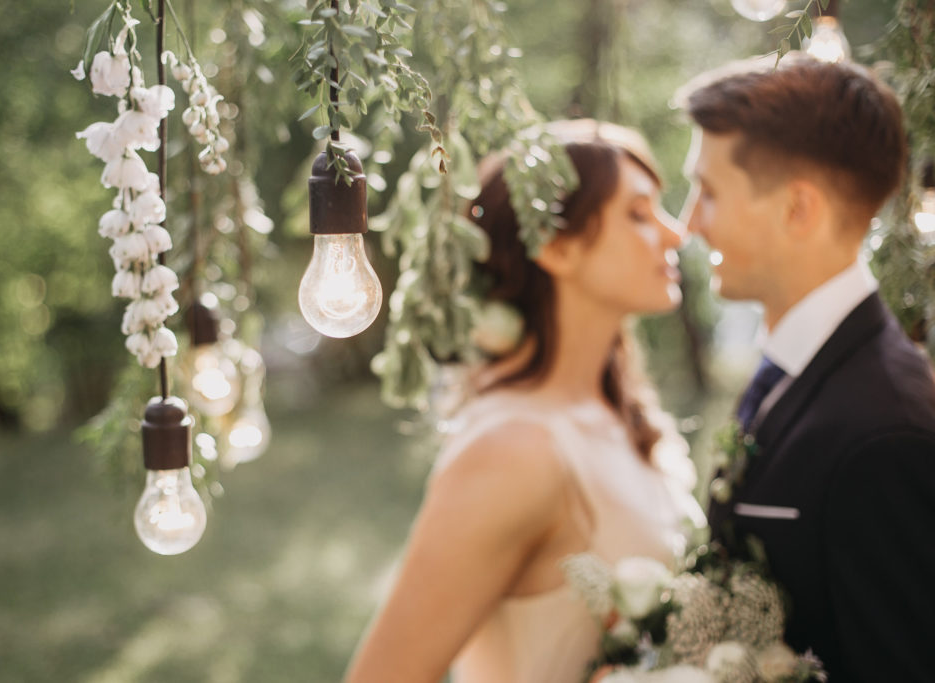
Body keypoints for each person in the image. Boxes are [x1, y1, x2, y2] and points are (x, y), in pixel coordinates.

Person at [344, 119, 704, 683]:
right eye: (638, 214)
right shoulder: (512, 450)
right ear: (556, 246)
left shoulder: (621, 414)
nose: (675, 234)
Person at [680, 54, 935, 681]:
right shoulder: (795, 366)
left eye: (708, 192)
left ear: (799, 210)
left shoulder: (883, 429)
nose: (688, 223)